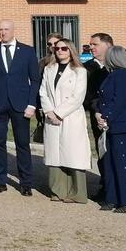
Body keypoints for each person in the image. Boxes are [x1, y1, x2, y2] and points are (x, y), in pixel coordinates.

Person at [0, 20, 40, 195]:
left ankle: (26, 183)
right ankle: (0, 181)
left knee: (22, 144)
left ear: (13, 31)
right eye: (0, 30)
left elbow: (35, 80)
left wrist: (31, 104)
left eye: (6, 29)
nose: (3, 32)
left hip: (21, 105)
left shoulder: (28, 51)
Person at [39, 38, 90, 203]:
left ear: (71, 51)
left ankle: (76, 193)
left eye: (64, 48)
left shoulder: (79, 71)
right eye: (57, 48)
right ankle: (58, 190)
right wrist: (49, 111)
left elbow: (78, 97)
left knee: (73, 153)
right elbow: (43, 92)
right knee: (55, 154)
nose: (60, 51)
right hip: (51, 115)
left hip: (70, 116)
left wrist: (59, 113)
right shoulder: (49, 68)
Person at [95, 45, 126, 212]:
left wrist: (106, 116)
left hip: (121, 125)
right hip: (111, 125)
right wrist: (99, 113)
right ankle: (112, 197)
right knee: (110, 162)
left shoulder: (121, 76)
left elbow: (119, 100)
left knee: (123, 163)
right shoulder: (112, 75)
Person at [85, 33, 114, 201]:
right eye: (90, 44)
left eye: (95, 44)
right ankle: (105, 185)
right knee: (102, 152)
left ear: (107, 45)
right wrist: (96, 109)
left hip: (118, 118)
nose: (91, 47)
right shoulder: (87, 68)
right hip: (98, 118)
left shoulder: (121, 65)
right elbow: (88, 95)